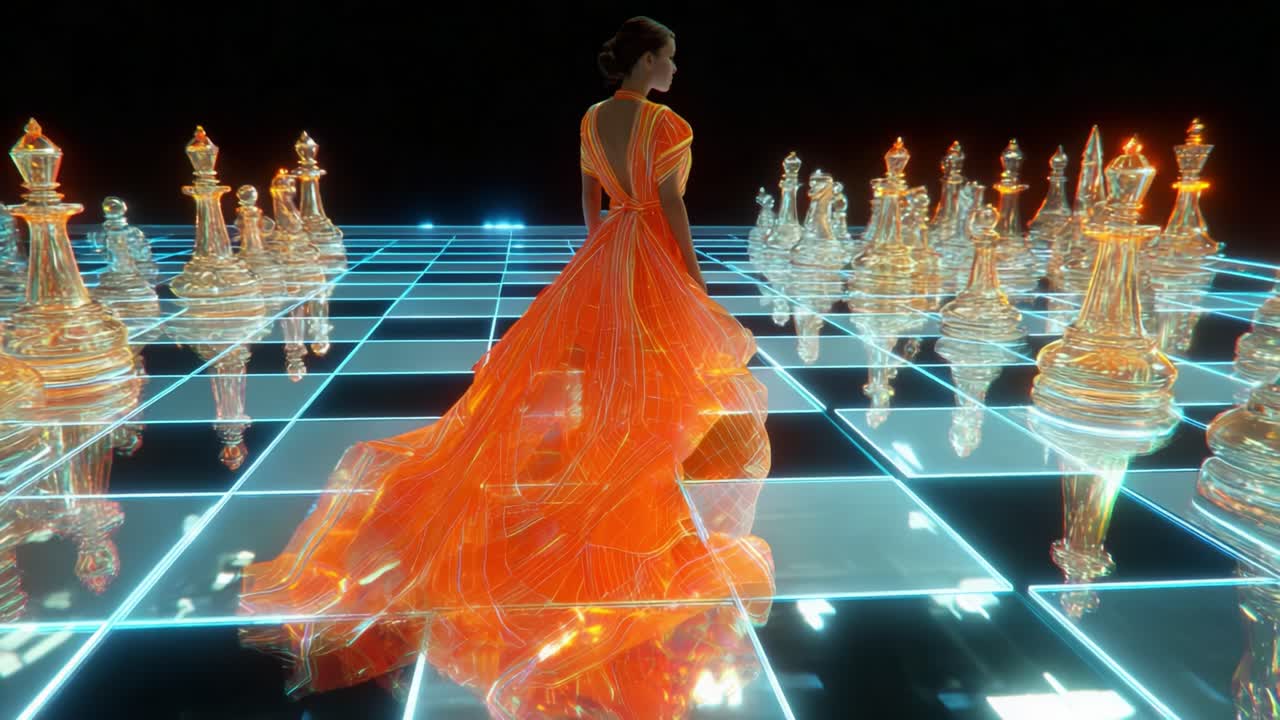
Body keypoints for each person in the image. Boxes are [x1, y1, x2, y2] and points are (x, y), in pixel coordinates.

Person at [238, 16, 775, 714]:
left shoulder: (591, 118)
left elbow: (591, 199)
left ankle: (609, 475)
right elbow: (671, 205)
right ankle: (625, 494)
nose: (675, 69)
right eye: (669, 57)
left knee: (600, 369)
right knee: (659, 377)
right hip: (648, 255)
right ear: (647, 61)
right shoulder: (666, 126)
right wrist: (692, 282)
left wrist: (600, 256)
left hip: (608, 250)